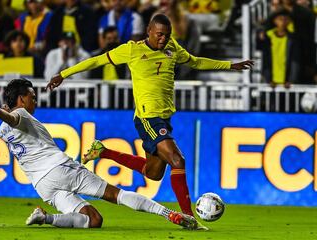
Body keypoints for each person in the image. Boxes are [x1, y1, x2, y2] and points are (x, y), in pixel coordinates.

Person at [46, 14, 253, 216]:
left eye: (167, 35)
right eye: (159, 34)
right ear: (149, 31)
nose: (163, 39)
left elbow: (196, 62)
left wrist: (229, 65)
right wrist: (63, 74)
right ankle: (188, 216)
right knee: (177, 160)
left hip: (164, 118)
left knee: (153, 173)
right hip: (147, 117)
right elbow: (96, 61)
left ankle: (104, 152)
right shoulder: (132, 50)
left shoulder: (172, 48)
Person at [0, 78, 202, 230]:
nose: (35, 100)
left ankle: (44, 218)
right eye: (32, 96)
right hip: (60, 169)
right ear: (21, 98)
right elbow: (13, 118)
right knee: (116, 195)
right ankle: (169, 214)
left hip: (42, 185)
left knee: (93, 220)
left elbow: (9, 122)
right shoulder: (21, 113)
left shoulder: (2, 131)